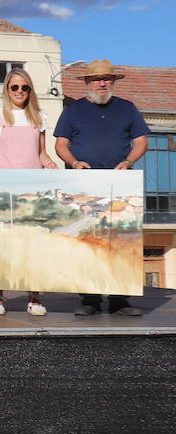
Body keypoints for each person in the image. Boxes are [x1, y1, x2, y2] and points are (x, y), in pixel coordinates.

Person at [54, 59, 150, 317]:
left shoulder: (127, 108)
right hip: (84, 186)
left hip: (120, 185)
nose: (102, 83)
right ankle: (90, 299)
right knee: (87, 243)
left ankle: (120, 300)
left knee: (120, 243)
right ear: (87, 82)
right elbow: (61, 144)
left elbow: (141, 142)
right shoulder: (73, 110)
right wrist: (73, 163)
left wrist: (128, 161)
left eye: (107, 78)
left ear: (114, 81)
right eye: (96, 79)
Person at [0, 68, 56, 317]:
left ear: (30, 90)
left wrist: (54, 165)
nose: (20, 92)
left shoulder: (38, 118)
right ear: (7, 89)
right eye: (15, 87)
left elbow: (42, 153)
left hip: (32, 190)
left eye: (25, 88)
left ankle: (34, 297)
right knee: (0, 244)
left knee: (33, 244)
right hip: (1, 189)